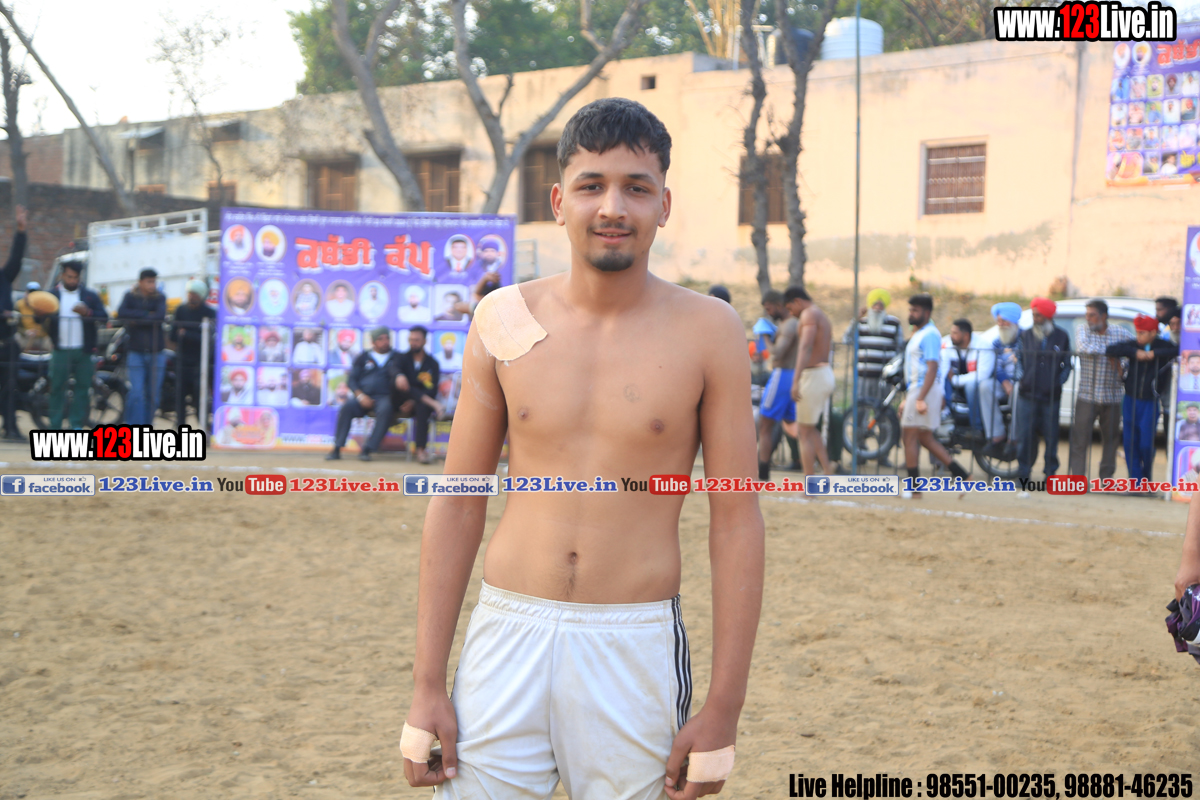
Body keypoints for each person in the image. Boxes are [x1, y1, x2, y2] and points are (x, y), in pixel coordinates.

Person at [401, 98, 762, 800]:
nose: (613, 207)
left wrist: (724, 707)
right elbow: (458, 502)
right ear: (559, 201)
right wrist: (426, 684)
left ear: (664, 205)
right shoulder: (503, 317)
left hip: (633, 644)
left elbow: (736, 519)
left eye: (637, 187)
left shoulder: (710, 330)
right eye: (592, 185)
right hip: (507, 633)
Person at [900, 293, 969, 494]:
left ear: (927, 312)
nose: (911, 313)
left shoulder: (929, 334)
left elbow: (932, 367)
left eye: (915, 310)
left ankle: (914, 488)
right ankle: (963, 475)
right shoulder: (921, 333)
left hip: (923, 389)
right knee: (925, 437)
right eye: (910, 310)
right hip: (919, 389)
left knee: (909, 436)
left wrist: (920, 398)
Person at [1107, 313, 1178, 484]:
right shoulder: (1134, 345)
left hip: (1150, 401)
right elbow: (1111, 349)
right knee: (1130, 442)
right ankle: (1136, 482)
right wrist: (1135, 352)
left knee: (1146, 444)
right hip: (1130, 399)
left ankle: (1146, 478)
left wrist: (1154, 354)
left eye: (1142, 333)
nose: (1138, 336)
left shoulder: (1163, 345)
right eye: (1137, 332)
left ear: (1153, 332)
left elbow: (1177, 351)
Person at [38, 262, 108, 430]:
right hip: (60, 349)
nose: (72, 281)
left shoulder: (89, 295)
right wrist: (39, 312)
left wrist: (87, 313)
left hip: (84, 350)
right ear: (62, 275)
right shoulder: (52, 295)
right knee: (56, 388)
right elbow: (38, 319)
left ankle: (76, 425)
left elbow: (104, 317)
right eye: (69, 277)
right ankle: (55, 426)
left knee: (83, 388)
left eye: (76, 277)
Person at [1069, 299, 1135, 479]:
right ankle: (1078, 479)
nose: (1088, 318)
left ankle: (1106, 479)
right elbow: (1083, 347)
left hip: (1112, 396)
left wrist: (1121, 364)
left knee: (1111, 440)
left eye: (1092, 315)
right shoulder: (1083, 330)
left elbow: (1132, 352)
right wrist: (1112, 352)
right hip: (1087, 395)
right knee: (1080, 439)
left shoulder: (1120, 332)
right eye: (1087, 315)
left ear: (1104, 316)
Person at [1010, 298, 1072, 482]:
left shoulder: (1062, 336)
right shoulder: (1025, 335)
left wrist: (1057, 383)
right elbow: (1019, 359)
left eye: (1038, 315)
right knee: (1025, 436)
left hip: (1051, 396)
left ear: (1047, 316)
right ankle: (1023, 473)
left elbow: (1067, 364)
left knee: (1051, 437)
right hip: (1027, 394)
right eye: (1034, 315)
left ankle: (1050, 474)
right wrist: (1022, 378)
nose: (1035, 318)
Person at [327, 326, 405, 461]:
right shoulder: (363, 357)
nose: (385, 342)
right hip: (363, 396)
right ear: (373, 342)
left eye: (387, 338)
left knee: (386, 409)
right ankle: (337, 448)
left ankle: (368, 449)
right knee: (346, 408)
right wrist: (361, 396)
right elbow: (352, 380)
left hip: (385, 397)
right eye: (380, 339)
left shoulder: (397, 357)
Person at [784, 286, 838, 476]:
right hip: (823, 374)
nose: (791, 313)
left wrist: (795, 380)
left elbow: (805, 346)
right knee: (810, 428)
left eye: (790, 308)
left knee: (804, 433)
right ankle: (827, 471)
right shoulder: (819, 314)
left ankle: (809, 483)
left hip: (813, 375)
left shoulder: (809, 315)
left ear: (797, 301)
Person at [756, 288, 798, 480]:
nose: (768, 313)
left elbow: (776, 353)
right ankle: (825, 463)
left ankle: (762, 471)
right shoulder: (788, 324)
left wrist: (765, 337)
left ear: (779, 305)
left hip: (782, 375)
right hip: (791, 376)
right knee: (794, 426)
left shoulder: (789, 325)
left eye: (769, 308)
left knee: (765, 424)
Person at [118, 268, 168, 426]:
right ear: (140, 282)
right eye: (149, 281)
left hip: (156, 352)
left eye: (154, 281)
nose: (152, 285)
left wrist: (136, 317)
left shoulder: (160, 298)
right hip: (136, 351)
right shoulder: (130, 296)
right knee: (136, 393)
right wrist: (147, 314)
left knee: (153, 395)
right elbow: (121, 313)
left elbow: (159, 316)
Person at [172, 280, 218, 422]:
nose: (191, 297)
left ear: (202, 296)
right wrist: (195, 335)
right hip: (182, 361)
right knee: (180, 397)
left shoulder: (209, 312)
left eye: (195, 294)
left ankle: (203, 426)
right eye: (190, 294)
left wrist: (186, 334)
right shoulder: (180, 310)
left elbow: (209, 338)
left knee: (200, 398)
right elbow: (173, 335)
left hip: (201, 362)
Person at [397, 325, 443, 464]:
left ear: (424, 341)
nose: (413, 343)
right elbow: (395, 376)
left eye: (416, 340)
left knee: (423, 407)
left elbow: (432, 390)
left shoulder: (432, 363)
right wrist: (399, 376)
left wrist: (414, 400)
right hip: (400, 401)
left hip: (419, 404)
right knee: (401, 383)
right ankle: (434, 404)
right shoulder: (401, 359)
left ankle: (421, 450)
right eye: (411, 339)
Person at [980, 302, 1021, 458]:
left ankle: (1014, 438)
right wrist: (1005, 383)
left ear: (1013, 321)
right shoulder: (998, 342)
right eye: (998, 321)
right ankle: (996, 434)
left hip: (1021, 382)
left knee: (1018, 390)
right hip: (1004, 383)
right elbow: (995, 365)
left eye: (1004, 321)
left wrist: (1014, 383)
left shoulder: (1026, 338)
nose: (1001, 324)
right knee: (985, 386)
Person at [941, 318, 984, 435]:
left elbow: (982, 375)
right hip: (954, 387)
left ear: (965, 335)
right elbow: (944, 370)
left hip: (975, 387)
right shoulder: (948, 345)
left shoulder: (982, 345)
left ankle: (976, 429)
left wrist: (956, 380)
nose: (951, 336)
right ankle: (947, 417)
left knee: (971, 385)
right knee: (943, 380)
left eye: (955, 333)